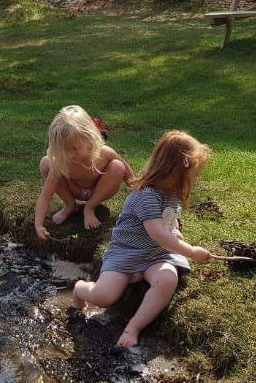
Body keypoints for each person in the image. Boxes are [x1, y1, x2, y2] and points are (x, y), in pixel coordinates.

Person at [73, 130, 213, 348]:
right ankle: (80, 288)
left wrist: (175, 231)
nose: (196, 179)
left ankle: (134, 327)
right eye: (195, 174)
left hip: (156, 254)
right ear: (176, 171)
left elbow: (168, 222)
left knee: (167, 279)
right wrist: (191, 251)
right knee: (104, 297)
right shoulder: (145, 196)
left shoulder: (171, 193)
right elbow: (158, 234)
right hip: (127, 252)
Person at [35, 105, 134, 239]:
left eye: (75, 148)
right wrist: (39, 225)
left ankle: (90, 207)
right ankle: (70, 205)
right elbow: (46, 196)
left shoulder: (104, 153)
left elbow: (130, 178)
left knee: (118, 166)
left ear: (89, 139)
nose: (70, 154)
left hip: (99, 190)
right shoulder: (61, 160)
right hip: (74, 189)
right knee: (46, 162)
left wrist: (142, 196)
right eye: (65, 149)